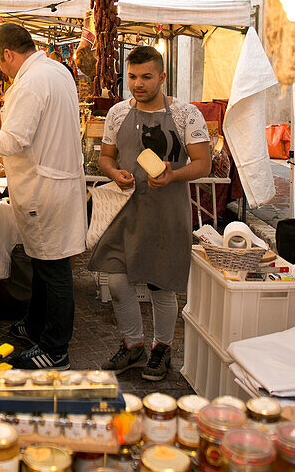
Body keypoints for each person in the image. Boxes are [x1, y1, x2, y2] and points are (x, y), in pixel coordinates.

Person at [0, 23, 86, 370]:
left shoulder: (30, 82)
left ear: (8, 53)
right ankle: (35, 323)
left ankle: (56, 349)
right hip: (57, 183)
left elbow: (12, 142)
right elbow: (35, 117)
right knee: (42, 262)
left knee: (54, 268)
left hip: (46, 188)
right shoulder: (54, 70)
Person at [90, 45, 212, 381]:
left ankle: (162, 348)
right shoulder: (116, 113)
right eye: (132, 76)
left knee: (161, 284)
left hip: (167, 211)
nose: (138, 83)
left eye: (146, 77)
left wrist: (173, 174)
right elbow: (106, 158)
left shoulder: (188, 115)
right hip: (126, 208)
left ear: (162, 77)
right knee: (117, 280)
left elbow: (203, 163)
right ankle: (133, 345)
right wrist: (115, 174)